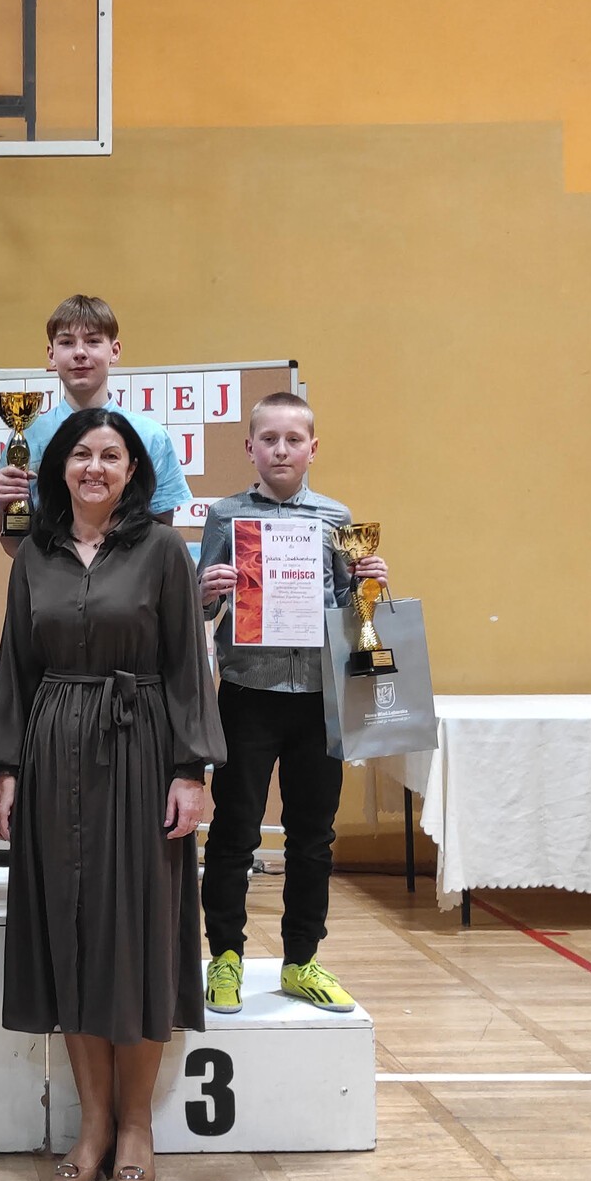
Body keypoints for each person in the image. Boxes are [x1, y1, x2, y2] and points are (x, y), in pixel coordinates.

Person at [0, 410, 222, 1181]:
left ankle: (137, 1122)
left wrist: (191, 771)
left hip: (141, 748)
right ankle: (93, 1123)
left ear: (133, 469)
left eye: (111, 455)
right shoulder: (34, 553)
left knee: (139, 929)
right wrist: (6, 771)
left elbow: (186, 664)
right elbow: (16, 664)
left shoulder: (163, 550)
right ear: (59, 466)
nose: (95, 467)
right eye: (81, 453)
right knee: (70, 928)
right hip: (53, 751)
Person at [195, 390, 386, 1014]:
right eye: (269, 439)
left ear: (312, 448)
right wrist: (207, 590)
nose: (281, 450)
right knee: (234, 831)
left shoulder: (336, 517)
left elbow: (349, 610)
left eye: (293, 440)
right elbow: (202, 609)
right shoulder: (226, 516)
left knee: (313, 837)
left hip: (317, 700)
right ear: (249, 447)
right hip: (247, 694)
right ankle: (225, 956)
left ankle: (301, 959)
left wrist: (369, 585)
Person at [0, 294, 189, 535]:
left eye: (93, 341)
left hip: (129, 559)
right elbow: (16, 544)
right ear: (51, 355)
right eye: (67, 342)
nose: (79, 353)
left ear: (114, 351)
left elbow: (161, 536)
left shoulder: (151, 437)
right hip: (48, 559)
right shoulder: (27, 437)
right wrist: (7, 503)